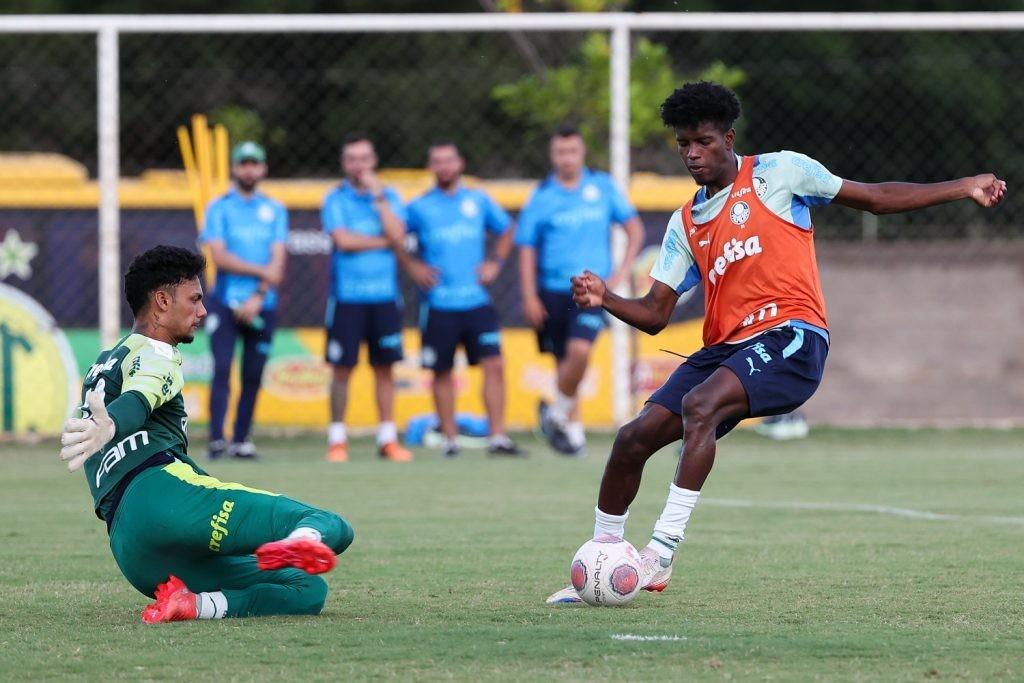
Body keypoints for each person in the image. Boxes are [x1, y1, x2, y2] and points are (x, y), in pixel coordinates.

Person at [546, 81, 1006, 604]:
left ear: (728, 137)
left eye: (703, 142)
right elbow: (654, 315)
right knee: (633, 438)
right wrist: (606, 296)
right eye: (683, 145)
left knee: (701, 405)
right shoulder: (686, 223)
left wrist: (964, 184)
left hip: (793, 336)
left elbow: (875, 198)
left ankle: (660, 554)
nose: (693, 154)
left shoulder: (781, 172)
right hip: (726, 348)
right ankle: (605, 556)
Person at [58, 246, 353, 623]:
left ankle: (196, 605)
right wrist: (115, 423)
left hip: (132, 550)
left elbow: (133, 409)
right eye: (195, 300)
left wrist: (111, 424)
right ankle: (298, 541)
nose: (202, 312)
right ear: (162, 302)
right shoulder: (157, 354)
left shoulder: (104, 363)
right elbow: (140, 398)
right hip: (167, 500)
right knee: (332, 527)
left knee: (307, 590)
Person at [516, 125, 645, 456]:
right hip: (551, 290)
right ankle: (572, 436)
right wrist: (529, 295)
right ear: (552, 155)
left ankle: (555, 413)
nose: (566, 158)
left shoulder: (601, 187)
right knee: (564, 362)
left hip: (589, 290)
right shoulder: (542, 195)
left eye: (572, 151)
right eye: (560, 152)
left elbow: (634, 229)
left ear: (582, 153)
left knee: (580, 352)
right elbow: (527, 247)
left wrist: (618, 275)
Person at [402, 141, 524, 458]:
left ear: (460, 164)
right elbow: (394, 238)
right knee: (441, 370)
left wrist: (495, 262)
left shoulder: (477, 200)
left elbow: (507, 229)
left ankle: (498, 437)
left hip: (476, 300)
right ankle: (450, 440)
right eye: (437, 161)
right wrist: (413, 266)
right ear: (431, 167)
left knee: (494, 364)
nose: (443, 166)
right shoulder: (418, 207)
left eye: (448, 160)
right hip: (438, 303)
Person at [321, 133, 414, 463]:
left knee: (385, 368)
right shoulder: (335, 199)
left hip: (384, 298)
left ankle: (388, 439)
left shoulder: (388, 196)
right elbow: (344, 241)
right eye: (352, 159)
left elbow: (400, 235)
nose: (358, 165)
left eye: (364, 159)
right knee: (342, 369)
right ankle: (337, 439)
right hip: (347, 299)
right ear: (344, 163)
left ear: (373, 161)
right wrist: (383, 241)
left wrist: (379, 198)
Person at [199, 141, 287, 460]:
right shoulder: (219, 207)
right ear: (235, 168)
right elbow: (219, 256)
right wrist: (261, 271)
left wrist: (259, 295)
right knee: (222, 368)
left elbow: (278, 260)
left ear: (263, 169)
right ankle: (216, 439)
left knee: (253, 373)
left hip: (263, 303)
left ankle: (242, 439)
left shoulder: (275, 210)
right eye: (243, 163)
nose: (249, 169)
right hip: (224, 301)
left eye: (255, 163)